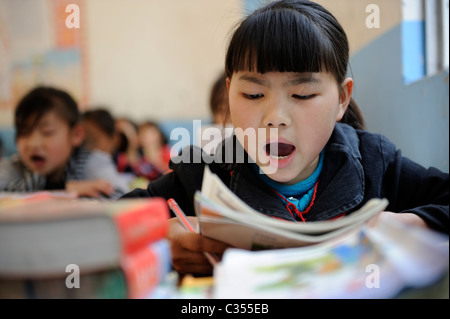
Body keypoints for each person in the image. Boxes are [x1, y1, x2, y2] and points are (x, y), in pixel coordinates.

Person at [121, 0, 449, 276]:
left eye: (303, 94)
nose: (275, 117)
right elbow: (100, 227)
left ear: (341, 99)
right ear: (229, 93)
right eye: (252, 94)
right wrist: (162, 240)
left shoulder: (377, 164)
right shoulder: (203, 174)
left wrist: (410, 225)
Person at [0, 86, 130, 199]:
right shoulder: (14, 167)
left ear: (76, 135)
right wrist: (63, 191)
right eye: (24, 132)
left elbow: (123, 198)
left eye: (47, 132)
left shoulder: (91, 162)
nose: (33, 143)